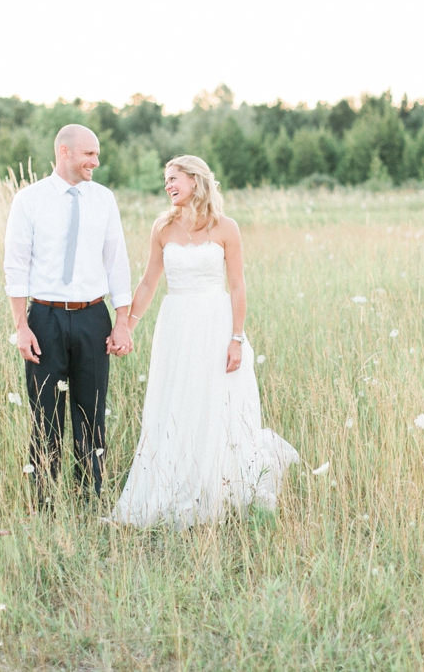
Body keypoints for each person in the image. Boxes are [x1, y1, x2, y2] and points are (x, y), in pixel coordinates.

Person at [109, 155, 299, 528]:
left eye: (173, 178)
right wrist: (127, 325)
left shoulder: (226, 227)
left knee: (217, 402)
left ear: (195, 181)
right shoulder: (162, 227)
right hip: (177, 325)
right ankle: (173, 482)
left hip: (216, 324)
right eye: (165, 180)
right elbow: (149, 282)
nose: (167, 185)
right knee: (177, 401)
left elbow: (238, 285)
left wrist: (237, 339)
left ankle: (219, 486)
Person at [3, 124, 132, 503]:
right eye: (89, 153)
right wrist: (21, 327)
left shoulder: (104, 199)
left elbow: (117, 262)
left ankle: (88, 498)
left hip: (94, 318)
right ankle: (42, 500)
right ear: (64, 151)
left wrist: (122, 322)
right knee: (45, 416)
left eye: (96, 153)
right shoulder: (29, 200)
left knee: (91, 413)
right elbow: (16, 265)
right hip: (45, 319)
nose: (96, 160)